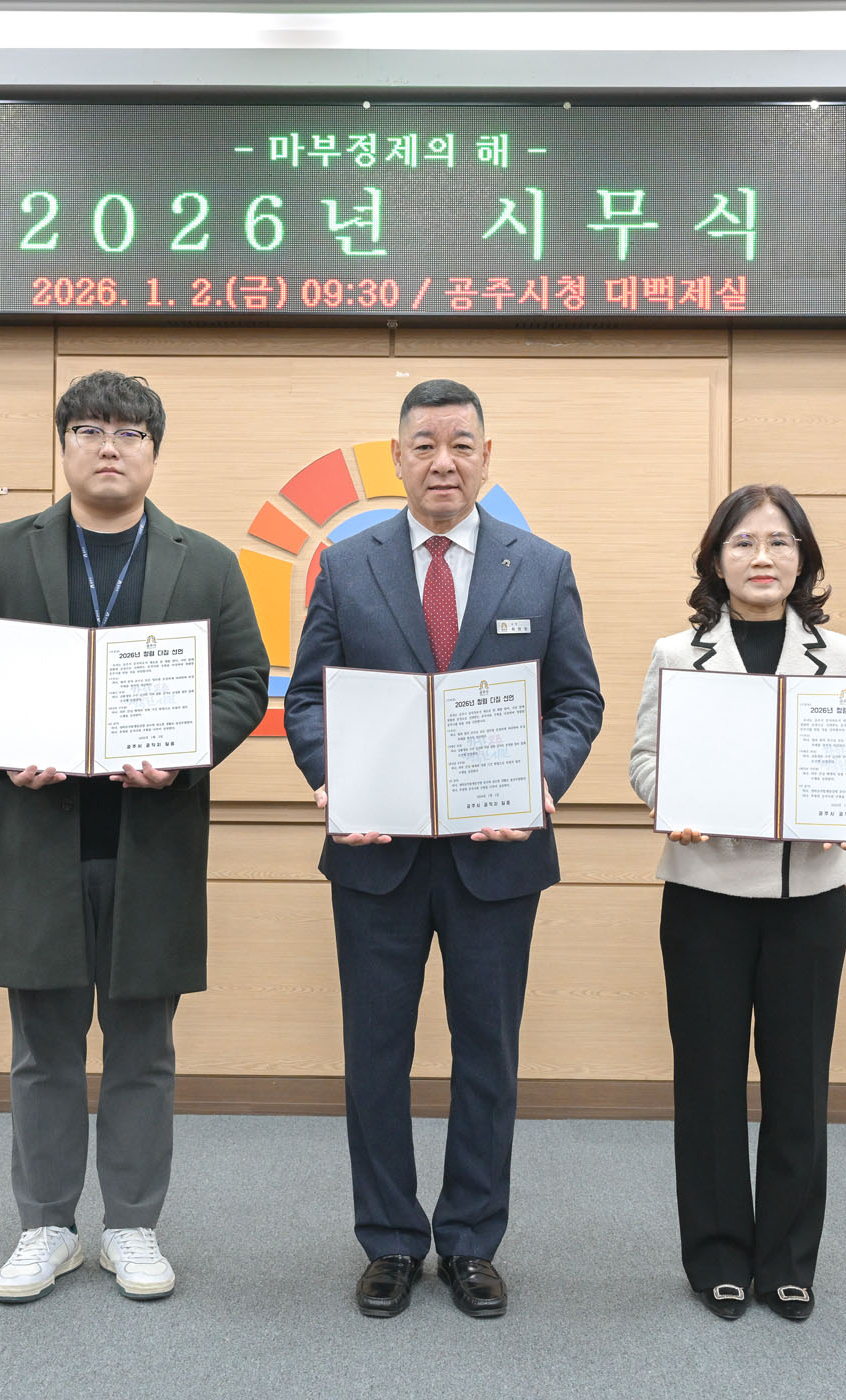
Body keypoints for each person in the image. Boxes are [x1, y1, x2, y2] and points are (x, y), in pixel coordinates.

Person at [0, 370, 269, 1305]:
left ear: (155, 451)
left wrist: (183, 756)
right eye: (89, 430)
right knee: (43, 1048)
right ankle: (45, 1227)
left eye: (128, 432)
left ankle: (131, 1226)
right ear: (65, 445)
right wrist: (2, 749)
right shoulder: (1, 552)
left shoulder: (206, 563)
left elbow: (244, 679)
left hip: (150, 840)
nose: (109, 446)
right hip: (38, 840)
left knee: (143, 1047)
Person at [283, 378, 603, 1321]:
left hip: (496, 857)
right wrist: (331, 779)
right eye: (424, 445)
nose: (443, 462)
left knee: (488, 1055)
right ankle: (388, 1239)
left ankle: (469, 1241)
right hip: (376, 853)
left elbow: (576, 701)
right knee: (375, 1054)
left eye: (461, 444)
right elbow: (309, 699)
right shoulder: (346, 566)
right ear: (397, 459)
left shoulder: (540, 568)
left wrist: (540, 781)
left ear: (486, 458)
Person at [626, 483, 846, 1324]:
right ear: (716, 560)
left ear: (803, 559)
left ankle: (788, 1261)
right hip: (706, 894)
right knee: (707, 1082)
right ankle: (717, 1258)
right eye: (742, 543)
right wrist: (672, 803)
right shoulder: (677, 652)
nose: (761, 557)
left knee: (800, 1084)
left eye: (779, 542)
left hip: (810, 899)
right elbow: (645, 759)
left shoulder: (841, 656)